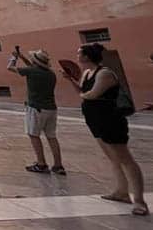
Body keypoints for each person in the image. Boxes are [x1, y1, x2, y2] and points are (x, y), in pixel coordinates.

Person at [63, 43, 148, 216]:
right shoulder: (87, 73)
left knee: (126, 159)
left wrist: (82, 94)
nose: (77, 55)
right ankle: (121, 192)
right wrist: (70, 80)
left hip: (111, 120)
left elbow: (91, 94)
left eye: (80, 53)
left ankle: (140, 201)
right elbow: (81, 90)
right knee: (112, 158)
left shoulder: (105, 74)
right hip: (95, 119)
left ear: (87, 56)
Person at [7, 48, 64, 174]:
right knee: (52, 136)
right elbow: (32, 66)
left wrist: (14, 58)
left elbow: (10, 67)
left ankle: (41, 163)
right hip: (51, 109)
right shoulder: (50, 73)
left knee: (34, 135)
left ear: (36, 61)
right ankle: (58, 165)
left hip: (36, 108)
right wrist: (22, 56)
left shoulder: (31, 71)